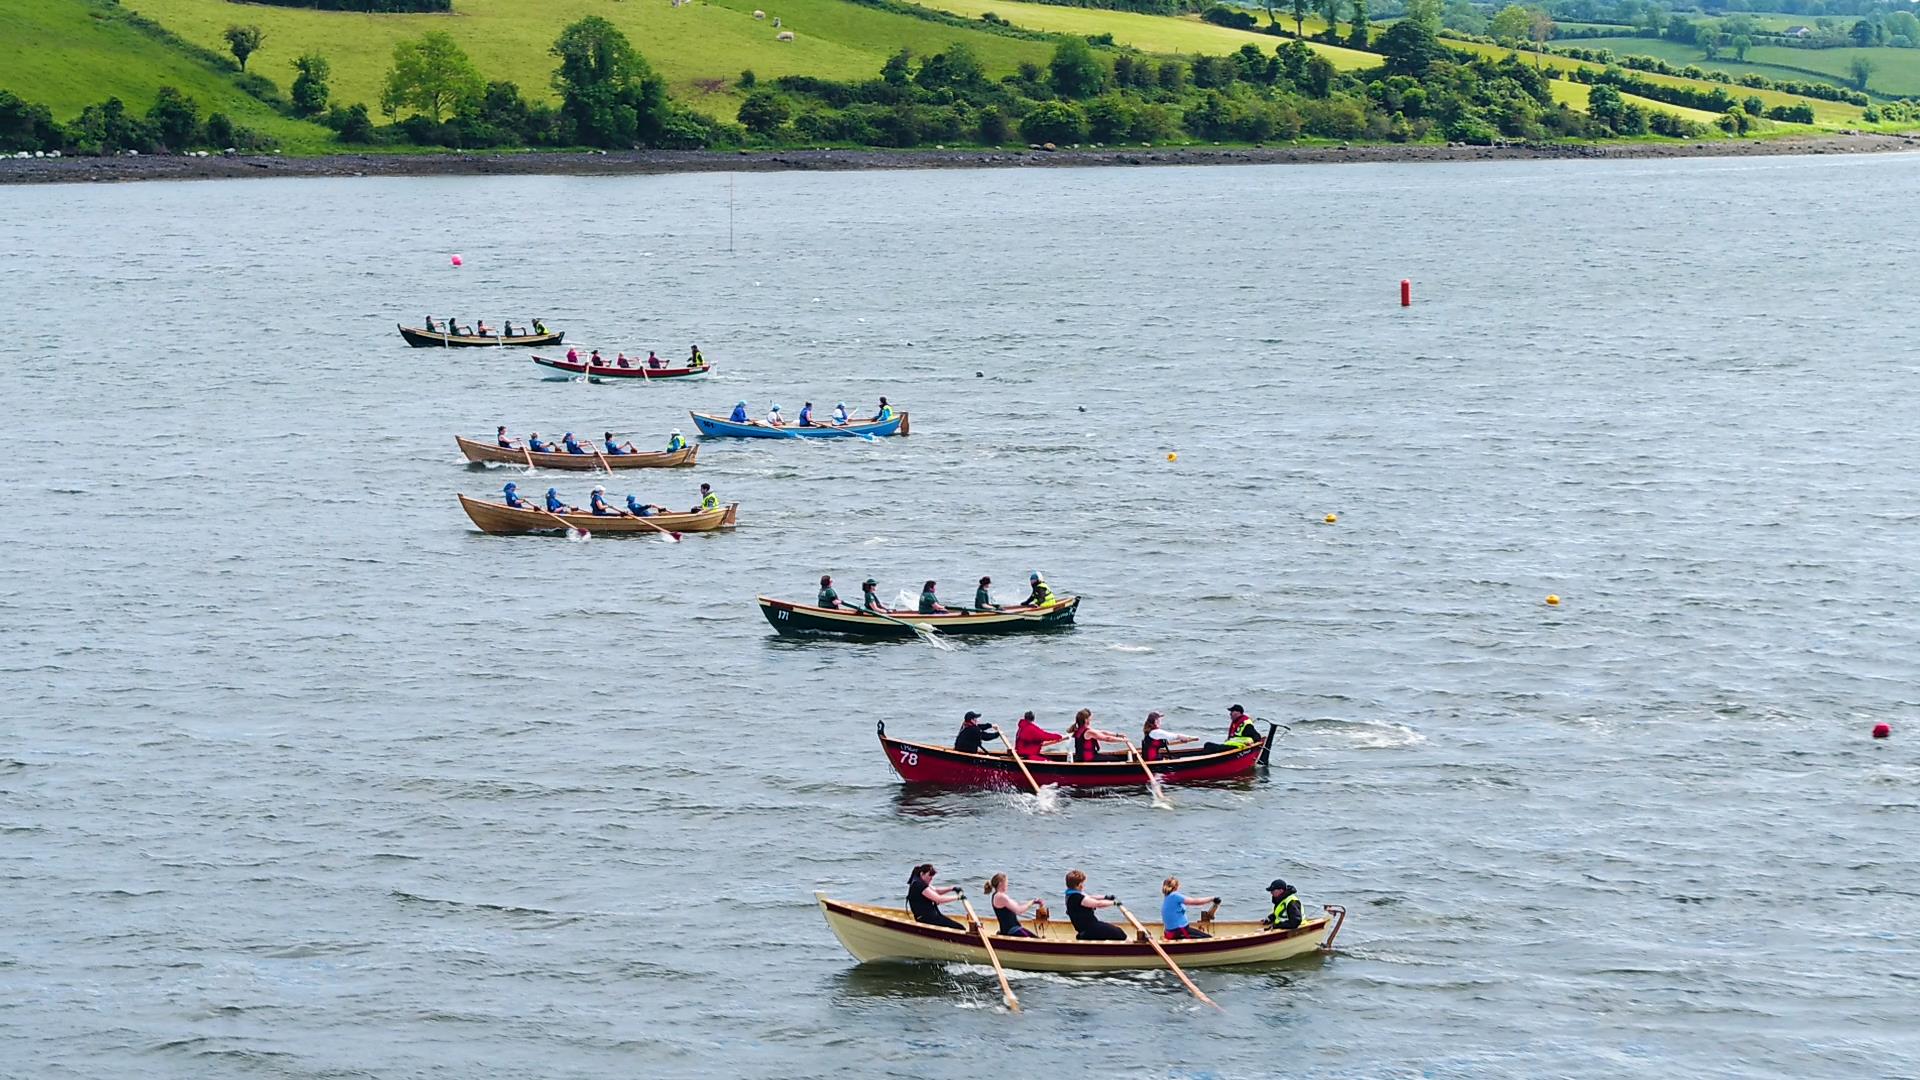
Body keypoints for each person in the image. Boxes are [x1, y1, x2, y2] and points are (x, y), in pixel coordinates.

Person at [1063, 870, 1127, 941]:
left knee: (1116, 931)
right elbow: (1098, 904)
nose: (1084, 885)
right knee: (1120, 934)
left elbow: (1090, 898)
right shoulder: (1076, 897)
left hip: (1086, 928)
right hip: (1089, 929)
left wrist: (1106, 897)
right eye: (1083, 883)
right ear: (1079, 885)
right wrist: (1115, 903)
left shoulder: (1071, 894)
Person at [983, 873, 1043, 938]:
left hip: (1011, 929)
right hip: (1011, 931)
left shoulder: (996, 895)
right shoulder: (1000, 896)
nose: (1007, 885)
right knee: (1036, 940)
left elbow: (1017, 906)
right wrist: (1033, 902)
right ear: (1000, 884)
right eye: (1006, 883)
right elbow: (1019, 911)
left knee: (1036, 938)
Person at [906, 864, 964, 930]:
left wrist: (952, 888)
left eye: (932, 876)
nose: (931, 878)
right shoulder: (918, 885)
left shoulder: (920, 881)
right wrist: (958, 897)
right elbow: (938, 899)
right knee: (960, 928)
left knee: (958, 926)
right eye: (929, 875)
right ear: (922, 874)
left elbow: (936, 890)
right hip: (926, 919)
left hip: (932, 916)